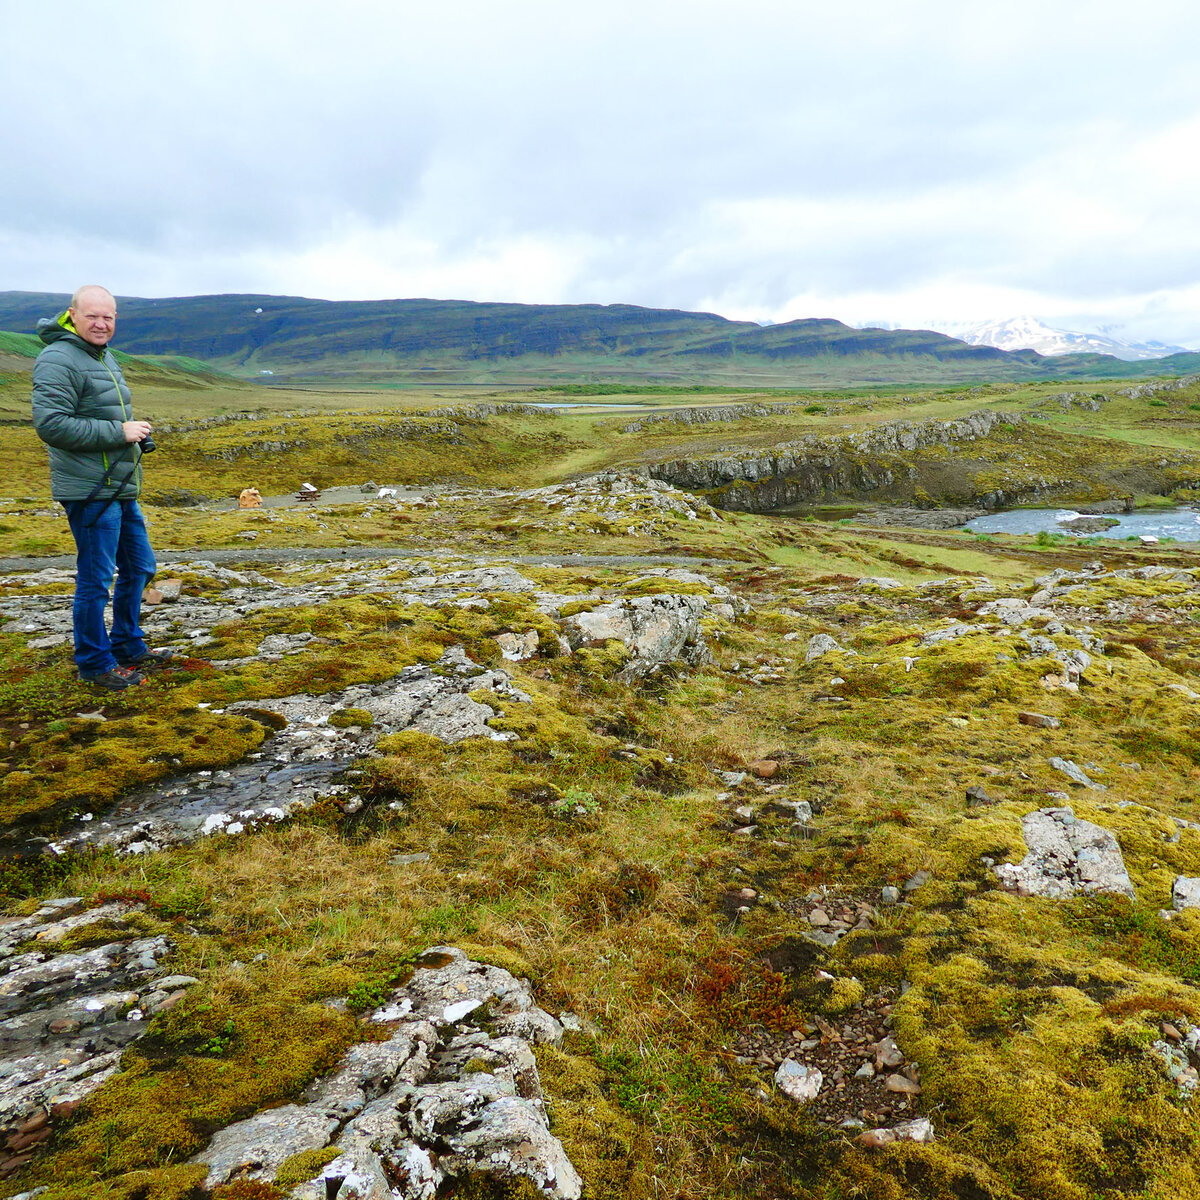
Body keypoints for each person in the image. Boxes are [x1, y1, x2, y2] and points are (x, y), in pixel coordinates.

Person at [31, 285, 172, 690]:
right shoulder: (58, 358)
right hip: (90, 491)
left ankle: (127, 642)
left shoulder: (102, 355)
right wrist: (119, 431)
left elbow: (100, 412)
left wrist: (129, 431)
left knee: (140, 566)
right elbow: (51, 425)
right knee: (96, 580)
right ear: (72, 315)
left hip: (118, 486)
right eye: (92, 316)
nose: (101, 323)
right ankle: (94, 663)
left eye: (108, 317)